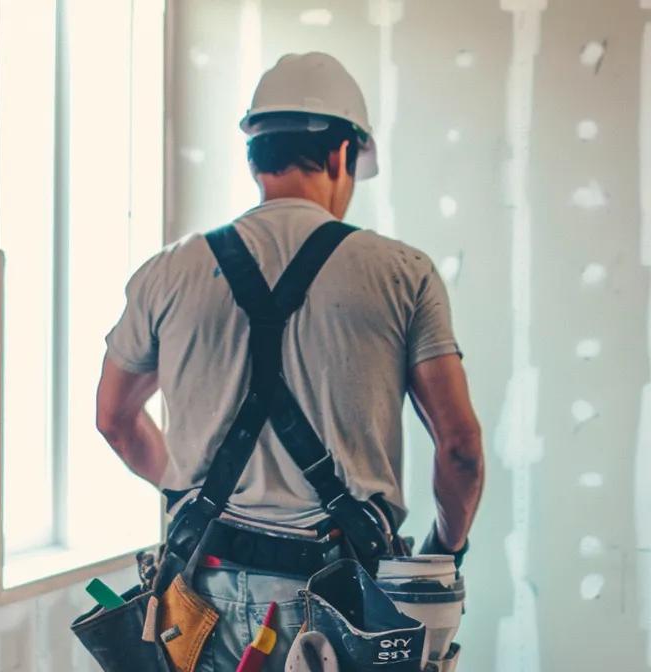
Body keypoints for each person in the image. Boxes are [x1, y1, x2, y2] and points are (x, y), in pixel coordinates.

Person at [94, 52, 486, 671]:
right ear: (342, 155)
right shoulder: (403, 274)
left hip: (199, 596)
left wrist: (187, 490)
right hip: (336, 598)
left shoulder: (167, 273)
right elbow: (459, 447)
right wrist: (446, 549)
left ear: (256, 155)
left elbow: (115, 418)